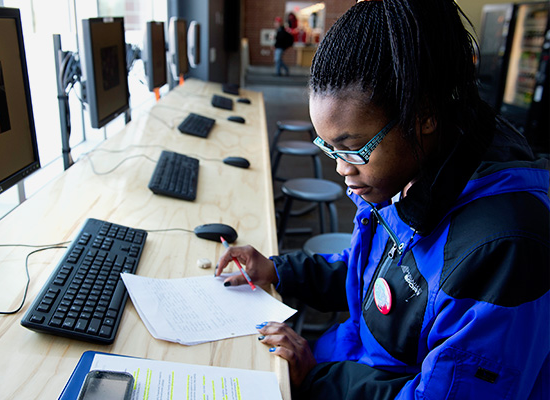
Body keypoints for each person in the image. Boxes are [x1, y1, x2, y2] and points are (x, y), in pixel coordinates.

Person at [217, 0, 549, 398]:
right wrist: (280, 270)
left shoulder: (504, 252)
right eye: (329, 149)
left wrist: (316, 377)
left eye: (353, 149)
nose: (341, 169)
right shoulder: (414, 170)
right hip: (350, 365)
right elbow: (375, 274)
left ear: (423, 116)